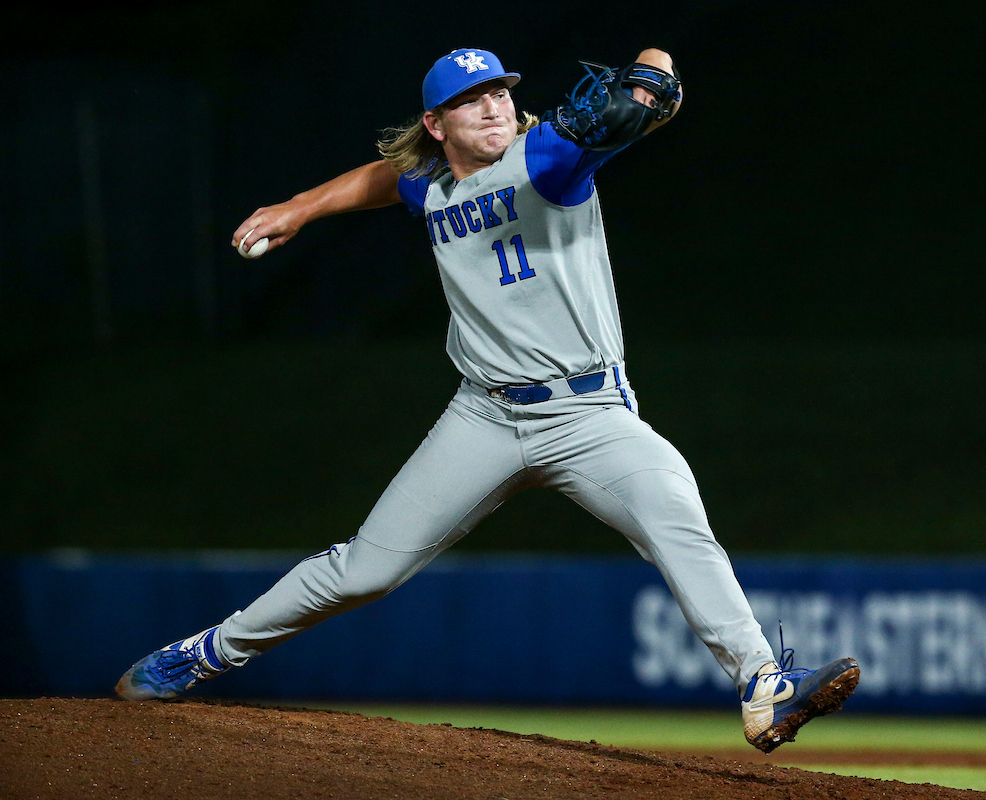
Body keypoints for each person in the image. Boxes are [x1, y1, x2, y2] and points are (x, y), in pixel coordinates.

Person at [114, 47, 859, 754]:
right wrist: (300, 208)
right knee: (364, 571)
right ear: (436, 126)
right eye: (470, 100)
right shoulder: (430, 182)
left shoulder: (550, 160)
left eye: (499, 90)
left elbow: (652, 76)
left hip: (588, 417)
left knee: (677, 515)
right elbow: (384, 178)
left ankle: (763, 685)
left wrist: (655, 67)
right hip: (483, 417)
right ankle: (203, 654)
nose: (493, 104)